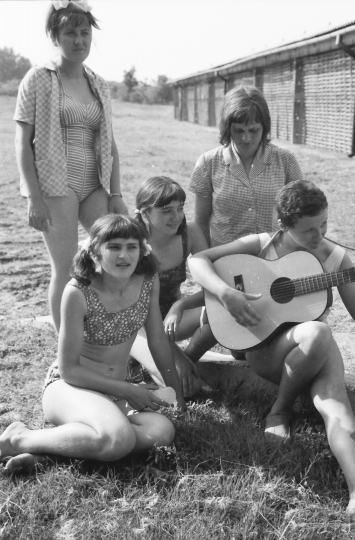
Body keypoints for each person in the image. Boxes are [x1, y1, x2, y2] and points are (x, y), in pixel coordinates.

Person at [188, 180, 355, 523]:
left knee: (335, 402)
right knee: (318, 331)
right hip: (267, 351)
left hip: (312, 347)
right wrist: (226, 293)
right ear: (284, 225)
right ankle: (279, 411)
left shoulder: (337, 258)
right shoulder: (261, 244)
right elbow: (198, 260)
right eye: (309, 229)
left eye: (324, 224)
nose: (319, 234)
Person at [0, 215, 185, 474]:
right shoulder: (78, 291)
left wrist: (178, 394)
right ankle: (18, 439)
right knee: (119, 438)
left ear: (142, 250)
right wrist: (128, 391)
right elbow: (69, 370)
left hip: (112, 393)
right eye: (114, 247)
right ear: (95, 250)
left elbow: (156, 338)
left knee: (161, 431)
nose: (124, 255)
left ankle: (49, 455)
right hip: (70, 388)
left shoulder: (147, 279)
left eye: (132, 247)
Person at [14, 0, 127, 331]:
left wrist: (116, 192)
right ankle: (66, 347)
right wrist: (34, 197)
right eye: (69, 33)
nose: (78, 40)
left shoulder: (99, 84)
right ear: (54, 36)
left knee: (112, 255)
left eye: (84, 32)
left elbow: (110, 143)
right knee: (65, 268)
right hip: (55, 186)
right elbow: (22, 143)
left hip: (94, 185)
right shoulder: (37, 79)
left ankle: (105, 333)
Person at [130, 176, 216, 397]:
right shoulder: (132, 241)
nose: (176, 217)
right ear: (144, 212)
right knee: (189, 390)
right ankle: (169, 366)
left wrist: (181, 304)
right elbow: (134, 313)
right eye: (166, 210)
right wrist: (176, 358)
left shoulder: (192, 232)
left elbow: (212, 288)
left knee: (221, 313)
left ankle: (188, 360)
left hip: (172, 321)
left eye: (180, 208)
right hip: (137, 327)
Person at [189, 85, 303, 248]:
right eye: (238, 130)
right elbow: (201, 222)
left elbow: (301, 215)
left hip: (273, 255)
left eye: (253, 130)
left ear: (264, 128)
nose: (246, 138)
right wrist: (207, 259)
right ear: (227, 128)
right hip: (225, 257)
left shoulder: (286, 161)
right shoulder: (208, 163)